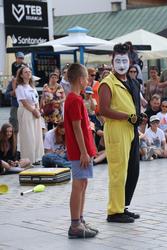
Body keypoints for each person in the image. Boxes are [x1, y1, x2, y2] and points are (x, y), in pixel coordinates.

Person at [99, 43, 144, 223]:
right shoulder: (107, 83)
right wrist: (127, 116)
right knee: (118, 171)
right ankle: (114, 211)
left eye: (124, 60)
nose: (121, 64)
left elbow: (135, 106)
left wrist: (139, 118)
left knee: (132, 170)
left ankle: (123, 206)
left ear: (130, 61)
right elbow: (103, 110)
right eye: (117, 60)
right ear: (112, 61)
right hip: (117, 130)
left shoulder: (132, 82)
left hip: (130, 129)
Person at [64, 63, 98, 238]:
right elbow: (76, 128)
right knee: (78, 185)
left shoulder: (75, 98)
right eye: (86, 78)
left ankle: (80, 220)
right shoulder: (74, 99)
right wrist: (84, 152)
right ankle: (75, 224)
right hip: (79, 151)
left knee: (83, 184)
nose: (88, 81)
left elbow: (81, 126)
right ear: (80, 79)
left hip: (82, 149)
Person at [15, 66, 44, 164]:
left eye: (29, 71)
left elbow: (36, 100)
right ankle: (28, 158)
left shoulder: (32, 87)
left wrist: (37, 109)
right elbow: (24, 102)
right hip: (26, 111)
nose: (28, 73)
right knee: (28, 135)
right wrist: (34, 110)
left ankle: (37, 157)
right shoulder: (20, 87)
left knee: (37, 134)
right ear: (22, 75)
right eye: (26, 72)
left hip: (34, 111)